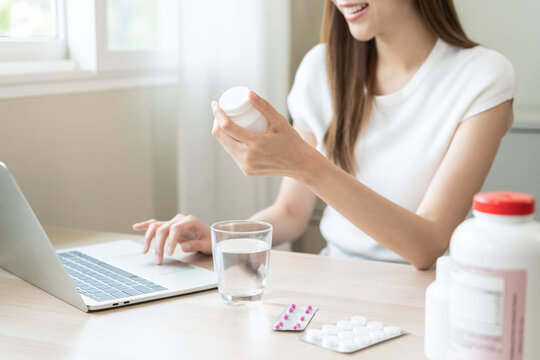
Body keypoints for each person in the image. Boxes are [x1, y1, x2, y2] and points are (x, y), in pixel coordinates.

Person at [134, 0, 514, 270]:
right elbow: (290, 213)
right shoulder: (321, 67)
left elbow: (428, 246)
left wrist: (305, 164)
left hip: (427, 293)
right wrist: (224, 240)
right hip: (334, 282)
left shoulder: (482, 76)